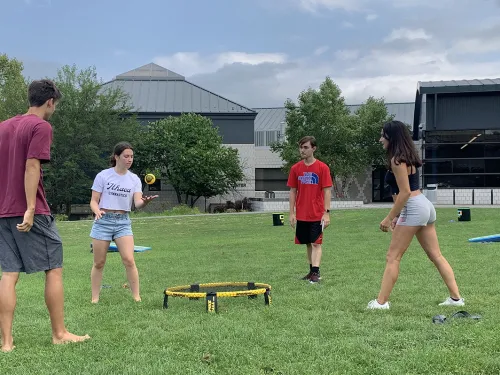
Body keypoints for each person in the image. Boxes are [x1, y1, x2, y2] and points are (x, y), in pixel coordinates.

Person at [0, 79, 91, 352]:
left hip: (3, 211)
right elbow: (31, 165)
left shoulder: (3, 127)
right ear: (50, 101)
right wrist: (29, 207)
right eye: (55, 105)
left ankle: (6, 342)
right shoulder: (41, 126)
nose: (54, 109)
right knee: (54, 267)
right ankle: (59, 333)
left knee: (9, 274)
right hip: (31, 210)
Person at [367, 120, 464, 309]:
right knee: (436, 255)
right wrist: (396, 216)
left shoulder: (397, 160)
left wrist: (388, 218)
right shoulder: (407, 156)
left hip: (413, 207)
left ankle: (381, 303)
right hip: (424, 205)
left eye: (382, 135)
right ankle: (456, 299)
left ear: (391, 137)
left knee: (392, 257)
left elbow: (404, 193)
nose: (380, 139)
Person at [89, 141, 158, 303]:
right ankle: (95, 298)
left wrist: (145, 202)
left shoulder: (134, 179)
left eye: (132, 157)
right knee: (99, 262)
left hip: (123, 222)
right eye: (126, 156)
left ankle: (136, 297)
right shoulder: (103, 176)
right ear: (116, 157)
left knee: (129, 259)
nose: (129, 159)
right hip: (103, 221)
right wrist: (97, 210)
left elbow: (138, 204)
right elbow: (93, 201)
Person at [287, 136, 333, 284]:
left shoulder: (322, 168)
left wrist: (326, 213)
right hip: (302, 214)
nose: (302, 150)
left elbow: (327, 191)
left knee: (316, 243)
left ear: (314, 148)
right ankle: (311, 271)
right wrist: (292, 213)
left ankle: (316, 273)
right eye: (301, 147)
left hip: (317, 213)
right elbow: (293, 191)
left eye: (306, 147)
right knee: (307, 243)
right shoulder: (295, 168)